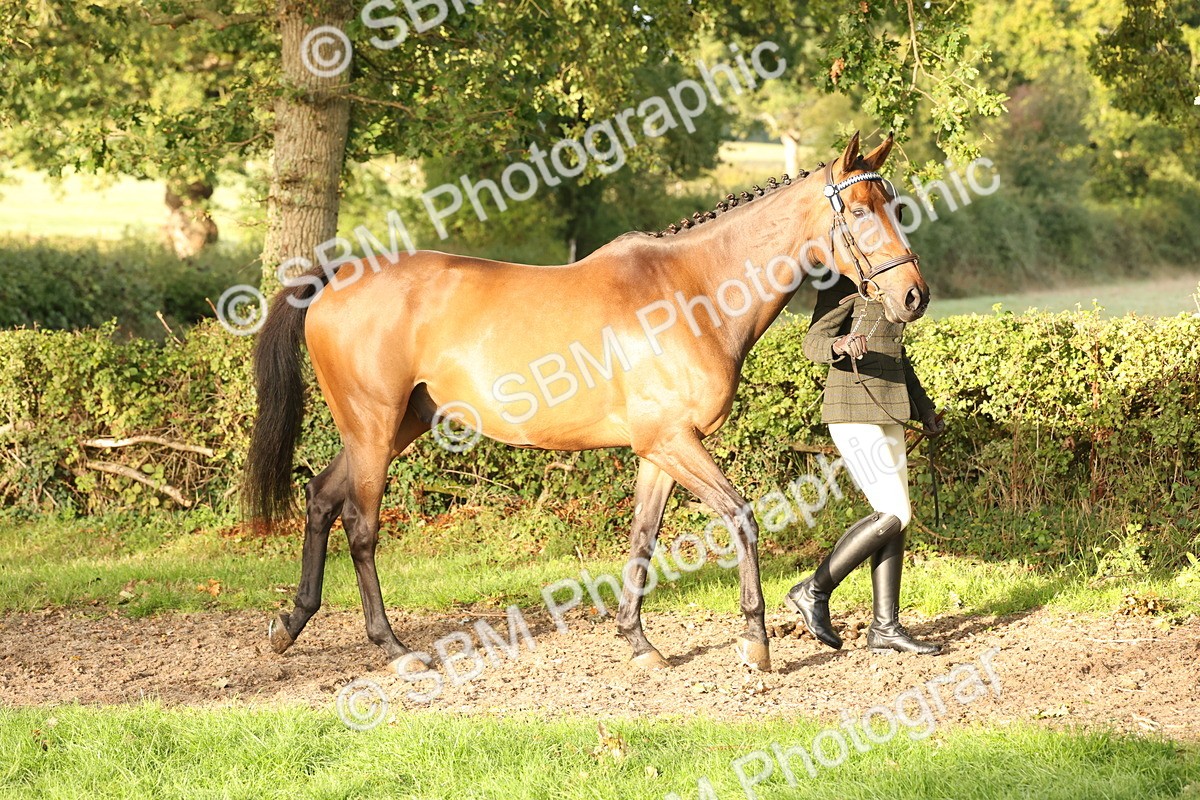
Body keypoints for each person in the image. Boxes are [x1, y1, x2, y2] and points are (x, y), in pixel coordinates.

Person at [784, 273, 944, 654]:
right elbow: (812, 342)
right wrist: (840, 344)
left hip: (889, 410)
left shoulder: (892, 283)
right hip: (851, 409)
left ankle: (885, 628)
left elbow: (896, 357)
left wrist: (925, 409)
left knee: (896, 519)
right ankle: (813, 590)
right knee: (895, 513)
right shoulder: (842, 282)